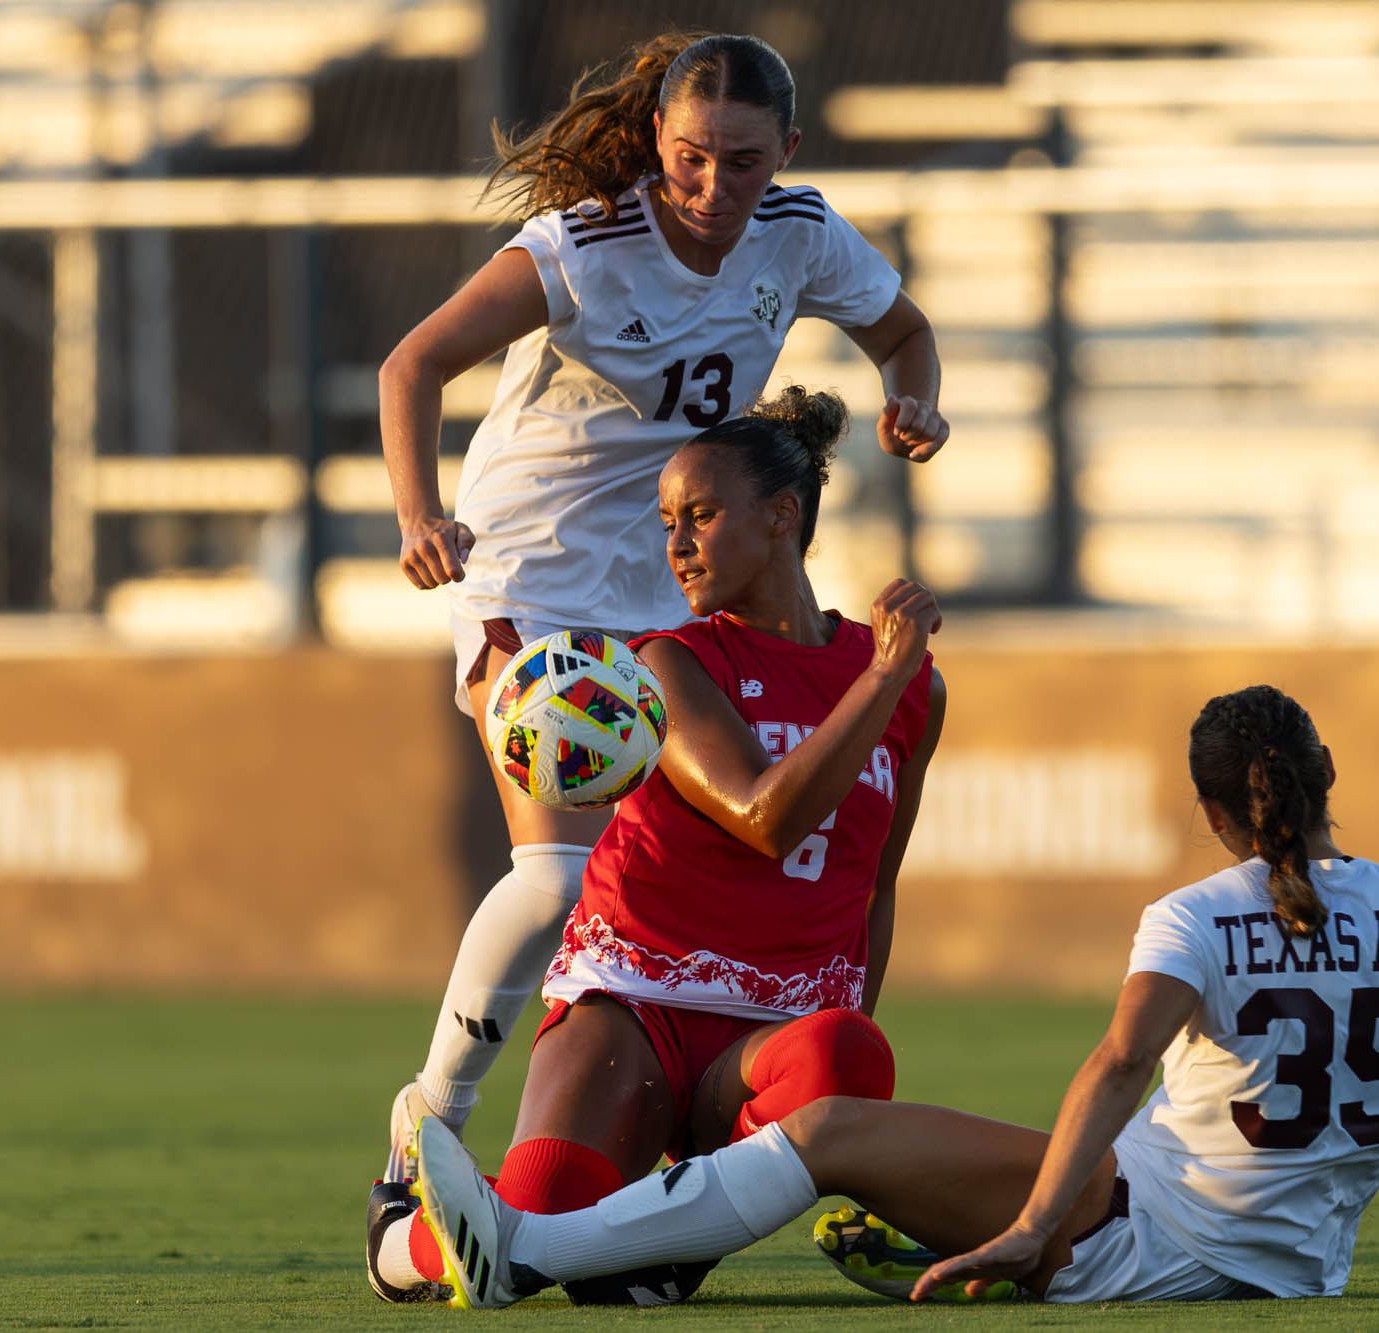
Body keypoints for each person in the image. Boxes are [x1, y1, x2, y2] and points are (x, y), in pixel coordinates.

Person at [403, 683, 1379, 1309]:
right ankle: (904, 1239)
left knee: (833, 1122)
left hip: (1134, 1234)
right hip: (1291, 1258)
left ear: (1214, 807)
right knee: (877, 1155)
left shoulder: (1199, 912)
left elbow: (1110, 1074)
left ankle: (536, 1252)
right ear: (1328, 783)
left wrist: (1035, 1232)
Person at [374, 27, 948, 1219]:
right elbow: (412, 363)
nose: (711, 188)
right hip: (528, 566)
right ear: (653, 145)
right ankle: (428, 1122)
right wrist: (419, 515)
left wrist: (914, 398)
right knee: (555, 874)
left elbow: (902, 330)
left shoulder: (799, 232)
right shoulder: (581, 250)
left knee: (647, 884)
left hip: (665, 582)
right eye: (689, 159)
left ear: (783, 151)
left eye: (741, 162)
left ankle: (654, 1154)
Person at [369, 387, 947, 1305]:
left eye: (701, 517)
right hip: (637, 1001)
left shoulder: (914, 688)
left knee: (850, 1054)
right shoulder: (667, 661)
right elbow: (765, 817)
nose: (674, 544)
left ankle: (655, 1250)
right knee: (539, 1219)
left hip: (762, 1042)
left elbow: (877, 885)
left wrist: (839, 1091)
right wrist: (883, 674)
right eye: (669, 521)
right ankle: (406, 1240)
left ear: (783, 516)